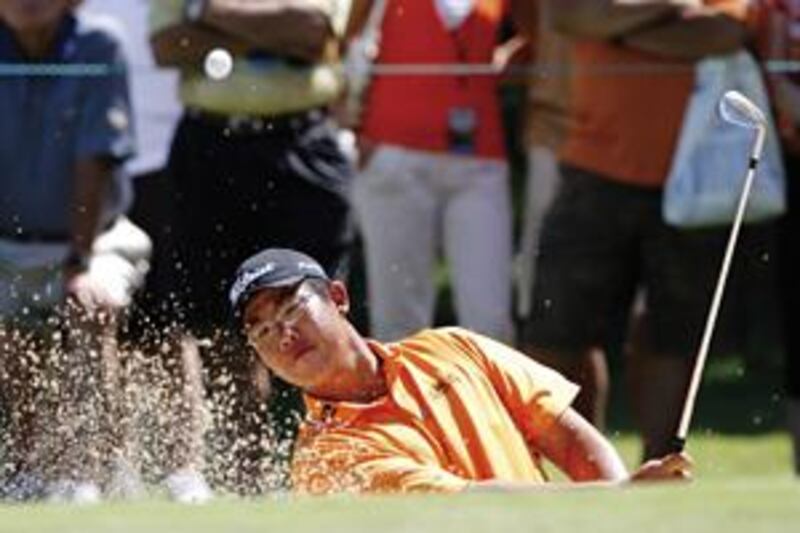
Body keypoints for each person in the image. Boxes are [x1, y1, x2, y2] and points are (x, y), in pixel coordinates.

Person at [228, 248, 693, 494]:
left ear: (338, 297)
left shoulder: (451, 347)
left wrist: (625, 506)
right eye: (262, 330)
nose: (283, 335)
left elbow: (568, 436)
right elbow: (473, 506)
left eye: (291, 308)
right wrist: (616, 500)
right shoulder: (323, 461)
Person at [521, 0, 763, 459]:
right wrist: (673, 11)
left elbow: (723, 32)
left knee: (671, 333)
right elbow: (570, 16)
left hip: (692, 181)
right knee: (559, 331)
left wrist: (615, 27)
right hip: (591, 170)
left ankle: (657, 471)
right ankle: (585, 468)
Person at [148, 0, 355, 493]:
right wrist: (271, 32)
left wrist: (210, 15)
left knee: (324, 316)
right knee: (221, 323)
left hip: (302, 146)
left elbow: (314, 36)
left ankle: (343, 463)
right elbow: (167, 46)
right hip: (208, 146)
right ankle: (249, 480)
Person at [0, 0, 149, 502]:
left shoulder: (98, 43)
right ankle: (28, 470)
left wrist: (78, 264)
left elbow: (94, 159)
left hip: (97, 239)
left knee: (93, 307)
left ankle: (98, 469)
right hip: (7, 244)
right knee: (8, 331)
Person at [79, 0, 211, 503]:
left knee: (171, 320)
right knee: (94, 317)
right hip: (81, 156)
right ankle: (113, 468)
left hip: (166, 152)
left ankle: (184, 469)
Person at [348, 0, 517, 344]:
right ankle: (404, 400)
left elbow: (540, 38)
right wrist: (351, 120)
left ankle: (485, 399)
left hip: (480, 160)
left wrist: (496, 65)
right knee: (399, 327)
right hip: (392, 156)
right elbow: (344, 41)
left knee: (491, 322)